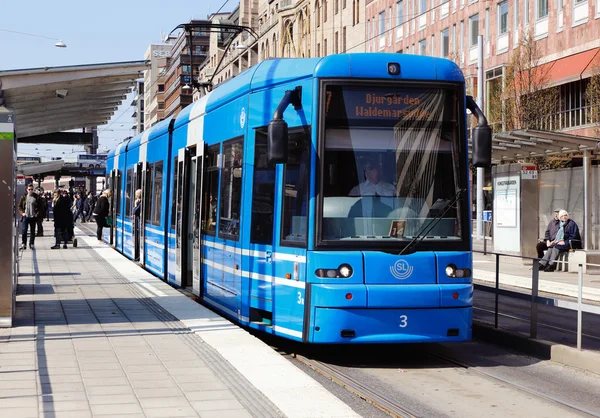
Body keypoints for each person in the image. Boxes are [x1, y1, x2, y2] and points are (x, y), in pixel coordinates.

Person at [17, 185, 41, 250]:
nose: (30, 190)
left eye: (31, 189)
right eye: (29, 189)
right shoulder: (24, 197)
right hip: (26, 216)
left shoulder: (36, 197)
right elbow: (19, 206)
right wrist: (22, 213)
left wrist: (37, 213)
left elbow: (40, 206)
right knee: (24, 230)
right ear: (27, 190)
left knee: (32, 231)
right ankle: (23, 243)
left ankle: (31, 244)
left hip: (33, 216)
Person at [133, 189, 142, 261]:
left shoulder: (140, 203)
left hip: (140, 224)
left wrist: (135, 205)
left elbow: (135, 212)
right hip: (140, 224)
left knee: (139, 240)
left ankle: (138, 256)